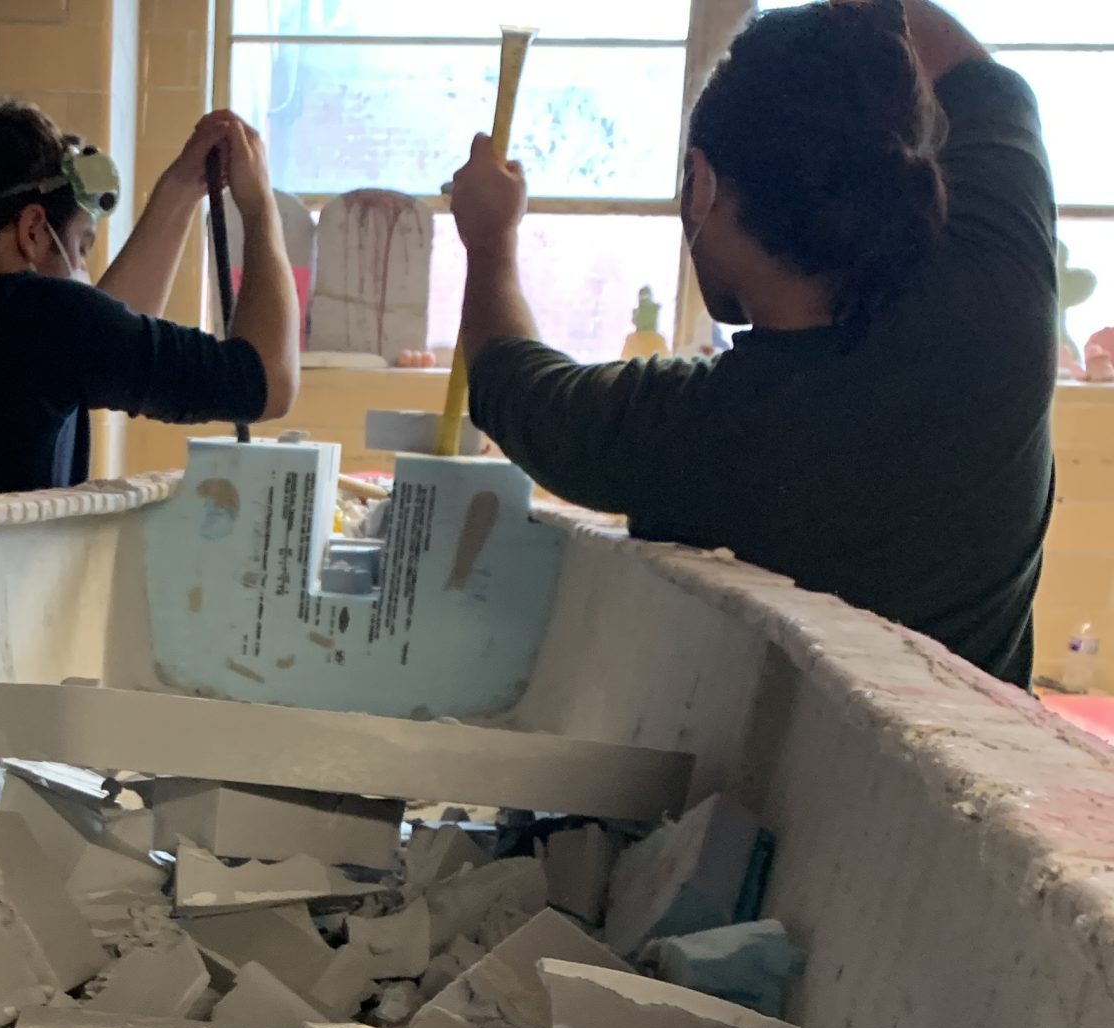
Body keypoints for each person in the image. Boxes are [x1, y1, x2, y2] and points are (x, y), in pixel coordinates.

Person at [449, 0, 1056, 687]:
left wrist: (490, 242)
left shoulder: (688, 435)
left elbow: (508, 377)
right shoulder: (1000, 293)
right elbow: (984, 84)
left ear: (702, 185)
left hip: (768, 796)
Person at [0, 101, 298, 504]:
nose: (82, 272)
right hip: (2, 611)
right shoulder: (42, 321)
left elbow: (92, 335)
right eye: (82, 246)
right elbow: (268, 382)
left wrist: (178, 193)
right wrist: (258, 207)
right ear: (33, 231)